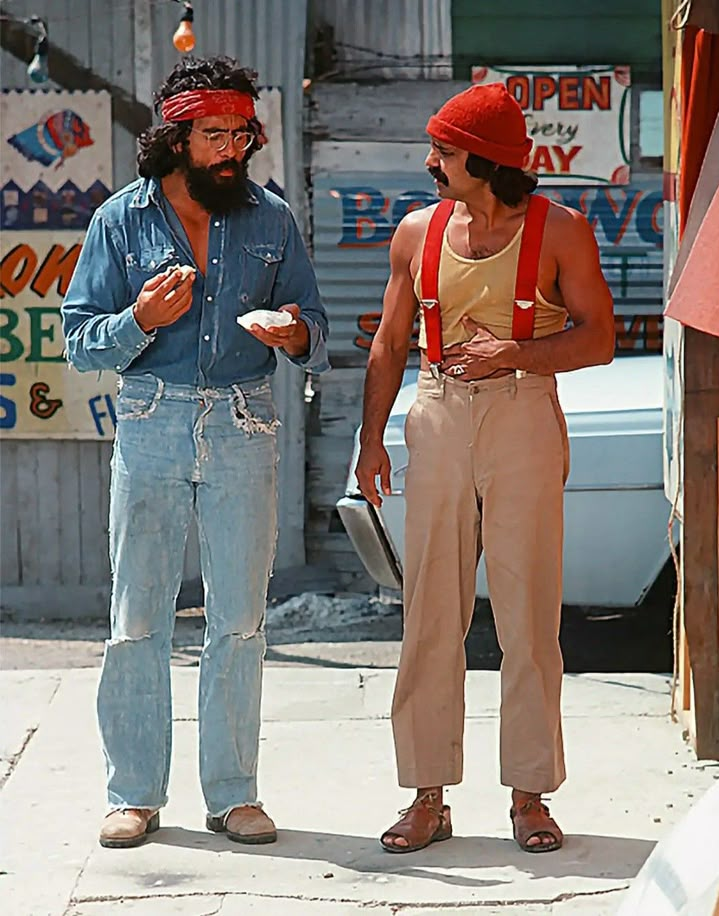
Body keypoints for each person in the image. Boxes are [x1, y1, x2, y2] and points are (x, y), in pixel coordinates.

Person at [62, 56, 329, 849]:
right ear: (174, 138)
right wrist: (139, 319)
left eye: (241, 135)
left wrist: (295, 332)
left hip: (245, 423)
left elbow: (313, 323)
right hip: (150, 420)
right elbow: (81, 343)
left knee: (239, 619)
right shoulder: (119, 220)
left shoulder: (271, 218)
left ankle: (235, 793)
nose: (230, 151)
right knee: (137, 616)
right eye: (213, 134)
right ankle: (134, 793)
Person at [355, 83, 614, 854]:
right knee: (429, 609)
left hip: (524, 411)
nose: (430, 161)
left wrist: (518, 352)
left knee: (527, 610)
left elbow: (599, 338)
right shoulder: (415, 231)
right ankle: (427, 796)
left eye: (443, 150)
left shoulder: (562, 230)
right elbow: (390, 342)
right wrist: (372, 441)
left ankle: (529, 795)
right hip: (436, 412)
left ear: (486, 158)